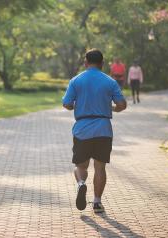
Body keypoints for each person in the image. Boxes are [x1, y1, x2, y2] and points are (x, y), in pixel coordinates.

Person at [62, 49, 127, 213]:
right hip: (103, 129)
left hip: (82, 129)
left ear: (85, 62)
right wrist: (112, 108)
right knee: (100, 168)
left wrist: (76, 105)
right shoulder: (110, 82)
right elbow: (122, 104)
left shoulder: (76, 81)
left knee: (81, 166)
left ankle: (81, 184)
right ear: (102, 64)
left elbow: (67, 104)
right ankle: (97, 202)